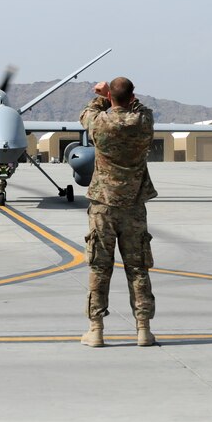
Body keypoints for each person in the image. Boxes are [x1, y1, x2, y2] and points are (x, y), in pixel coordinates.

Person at [79, 77, 157, 348]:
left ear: (111, 97)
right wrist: (119, 97)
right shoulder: (144, 122)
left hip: (103, 207)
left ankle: (96, 329)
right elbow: (141, 108)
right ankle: (143, 329)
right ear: (132, 96)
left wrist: (102, 96)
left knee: (100, 268)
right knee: (138, 269)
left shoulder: (99, 122)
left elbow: (87, 114)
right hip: (134, 206)